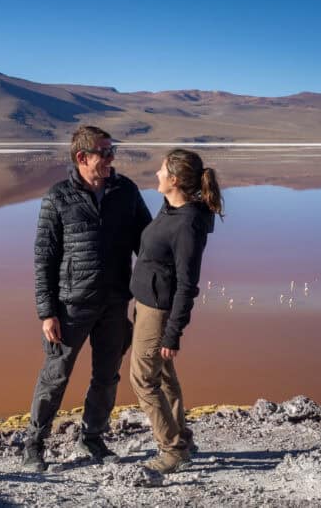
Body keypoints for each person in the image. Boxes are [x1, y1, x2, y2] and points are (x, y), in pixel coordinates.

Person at [23, 125, 152, 472]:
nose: (112, 158)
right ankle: (34, 444)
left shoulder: (125, 191)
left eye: (113, 151)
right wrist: (46, 312)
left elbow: (147, 242)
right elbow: (44, 258)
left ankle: (92, 437)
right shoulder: (58, 196)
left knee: (107, 376)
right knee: (55, 376)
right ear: (82, 157)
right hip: (70, 307)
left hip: (114, 303)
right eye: (105, 152)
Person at [128, 148, 223, 473]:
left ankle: (172, 449)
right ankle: (182, 436)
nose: (156, 174)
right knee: (163, 376)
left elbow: (187, 284)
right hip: (146, 305)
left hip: (159, 310)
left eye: (161, 170)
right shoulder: (171, 208)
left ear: (175, 180)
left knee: (143, 379)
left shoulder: (187, 226)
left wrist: (173, 332)